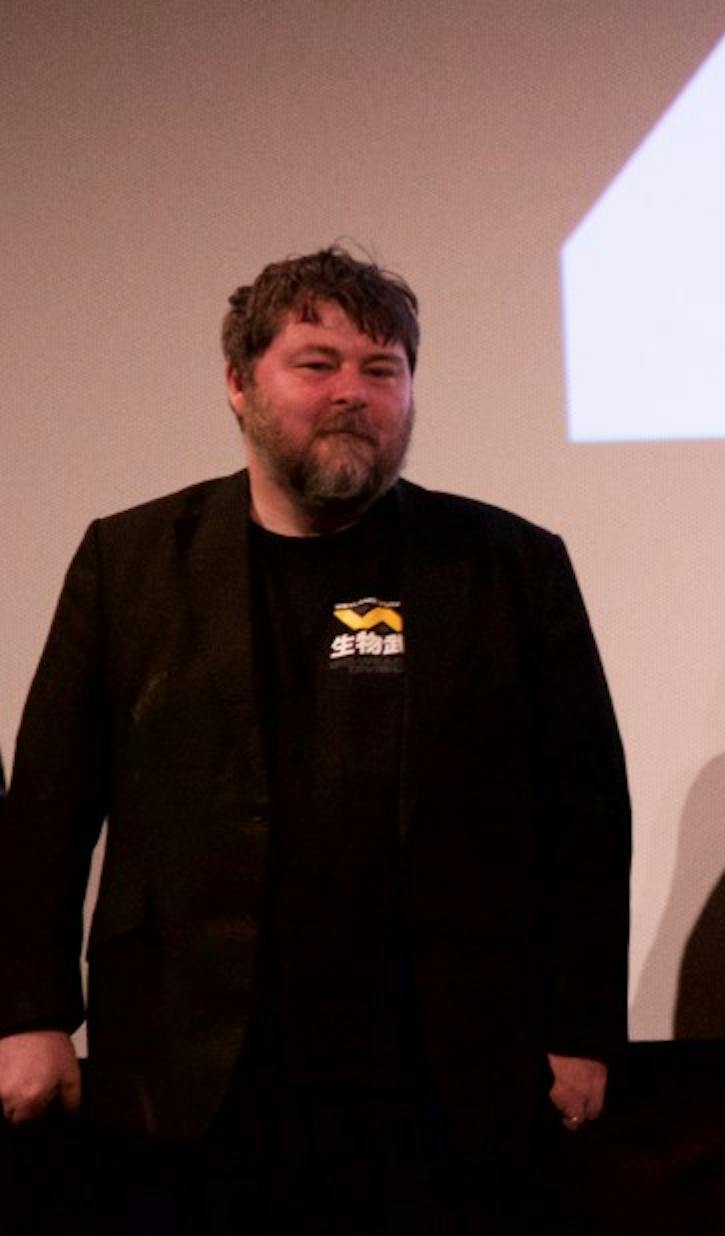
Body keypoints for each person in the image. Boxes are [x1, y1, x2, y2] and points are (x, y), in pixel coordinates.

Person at [0, 246, 631, 1231]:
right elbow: (46, 807)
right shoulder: (130, 563)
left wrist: (582, 1028)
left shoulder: (509, 567)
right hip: (193, 1070)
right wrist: (28, 1012)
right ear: (238, 385)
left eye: (381, 370)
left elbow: (586, 817)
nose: (352, 393)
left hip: (443, 1072)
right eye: (316, 363)